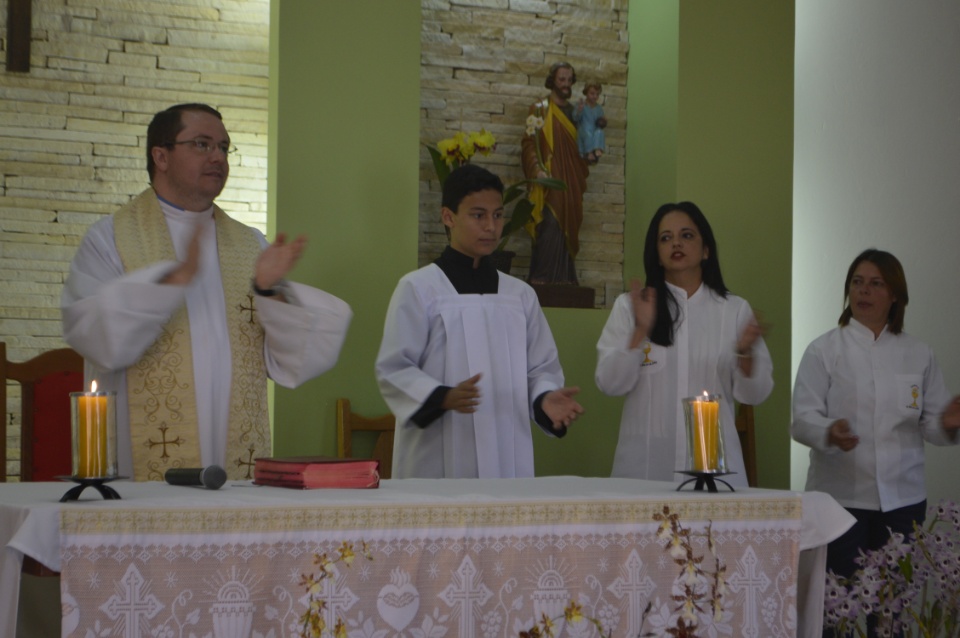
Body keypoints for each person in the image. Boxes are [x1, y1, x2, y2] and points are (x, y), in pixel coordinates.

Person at [61, 103, 352, 481]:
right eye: (202, 144)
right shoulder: (110, 239)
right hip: (144, 463)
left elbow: (291, 362)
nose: (218, 157)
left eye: (224, 147)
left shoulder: (250, 243)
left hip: (234, 462)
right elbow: (96, 336)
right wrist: (172, 279)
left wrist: (268, 290)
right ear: (160, 156)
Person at [376, 164, 583, 478]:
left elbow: (541, 368)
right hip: (437, 457)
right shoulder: (419, 288)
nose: (491, 226)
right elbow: (394, 368)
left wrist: (544, 399)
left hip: (507, 455)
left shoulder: (519, 296)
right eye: (478, 215)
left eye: (498, 215)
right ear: (449, 217)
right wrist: (440, 395)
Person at [792, 249, 960, 585]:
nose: (863, 291)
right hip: (839, 502)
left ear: (895, 295)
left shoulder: (918, 353)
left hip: (903, 504)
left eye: (875, 283)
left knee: (892, 611)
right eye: (857, 282)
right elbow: (801, 420)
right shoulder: (823, 350)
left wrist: (947, 424)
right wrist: (829, 431)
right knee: (839, 610)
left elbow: (930, 425)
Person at [595, 202, 773, 486]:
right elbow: (609, 383)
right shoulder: (630, 306)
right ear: (656, 252)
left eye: (687, 235)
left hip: (716, 472)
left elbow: (756, 395)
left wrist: (745, 353)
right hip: (646, 470)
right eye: (665, 238)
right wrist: (641, 330)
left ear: (706, 250)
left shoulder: (734, 310)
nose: (676, 243)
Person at [521, 61, 590, 285]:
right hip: (549, 180)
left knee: (569, 223)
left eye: (569, 80)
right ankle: (542, 277)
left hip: (571, 180)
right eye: (562, 79)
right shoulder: (540, 109)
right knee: (549, 223)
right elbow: (529, 143)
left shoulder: (576, 113)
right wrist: (537, 170)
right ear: (553, 80)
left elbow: (584, 143)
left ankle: (565, 279)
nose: (566, 84)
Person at [575, 82, 606, 164]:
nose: (595, 96)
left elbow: (601, 119)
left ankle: (597, 149)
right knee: (588, 133)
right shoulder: (582, 105)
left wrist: (603, 120)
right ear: (586, 93)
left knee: (599, 132)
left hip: (594, 128)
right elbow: (575, 118)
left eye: (597, 94)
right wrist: (579, 110)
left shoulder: (599, 108)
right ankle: (588, 152)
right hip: (584, 128)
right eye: (592, 94)